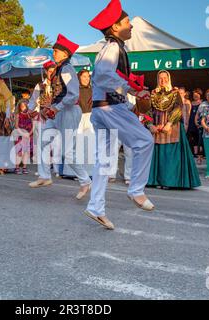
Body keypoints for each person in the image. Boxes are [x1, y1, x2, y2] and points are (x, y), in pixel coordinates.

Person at [84, 0, 155, 230]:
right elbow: (103, 75)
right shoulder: (113, 47)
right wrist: (132, 88)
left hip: (100, 109)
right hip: (111, 108)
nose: (131, 26)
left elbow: (104, 77)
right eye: (127, 22)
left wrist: (127, 89)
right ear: (115, 28)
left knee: (104, 161)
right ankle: (136, 190)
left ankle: (95, 207)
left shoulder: (112, 47)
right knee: (145, 141)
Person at [28, 34, 92, 201]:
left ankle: (85, 181)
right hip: (58, 111)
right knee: (42, 140)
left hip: (68, 111)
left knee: (68, 152)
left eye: (56, 51)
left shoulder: (67, 69)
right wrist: (51, 108)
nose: (53, 53)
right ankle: (44, 176)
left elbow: (73, 95)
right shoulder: (59, 69)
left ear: (65, 54)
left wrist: (56, 108)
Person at [146, 70, 201, 189]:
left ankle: (169, 181)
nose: (163, 80)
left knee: (170, 155)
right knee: (158, 155)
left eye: (165, 78)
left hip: (172, 127)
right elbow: (148, 110)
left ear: (169, 79)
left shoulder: (175, 93)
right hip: (157, 128)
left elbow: (178, 109)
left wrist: (169, 124)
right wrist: (150, 125)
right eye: (160, 78)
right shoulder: (153, 93)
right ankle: (156, 180)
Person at [14, 99, 33, 174]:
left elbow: (33, 125)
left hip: (28, 135)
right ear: (19, 107)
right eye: (22, 106)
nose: (24, 108)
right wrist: (22, 133)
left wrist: (30, 133)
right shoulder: (18, 115)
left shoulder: (29, 115)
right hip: (20, 135)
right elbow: (16, 126)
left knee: (26, 152)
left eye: (25, 106)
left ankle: (24, 167)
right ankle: (17, 167)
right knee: (19, 152)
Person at [187, 88, 203, 157]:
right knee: (193, 138)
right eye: (194, 96)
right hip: (191, 122)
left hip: (199, 122)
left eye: (197, 95)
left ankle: (201, 153)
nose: (195, 97)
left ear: (200, 95)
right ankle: (195, 153)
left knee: (200, 137)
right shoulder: (190, 103)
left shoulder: (202, 103)